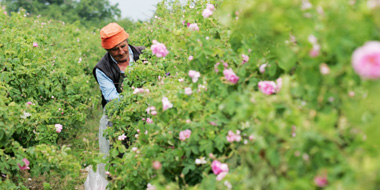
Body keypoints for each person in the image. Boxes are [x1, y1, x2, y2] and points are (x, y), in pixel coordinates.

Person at [88, 23, 145, 184]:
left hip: (148, 112)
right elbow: (112, 100)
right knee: (121, 157)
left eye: (123, 46)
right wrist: (139, 98)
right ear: (108, 50)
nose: (121, 52)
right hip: (119, 116)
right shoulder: (102, 69)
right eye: (115, 49)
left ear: (127, 42)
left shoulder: (145, 54)